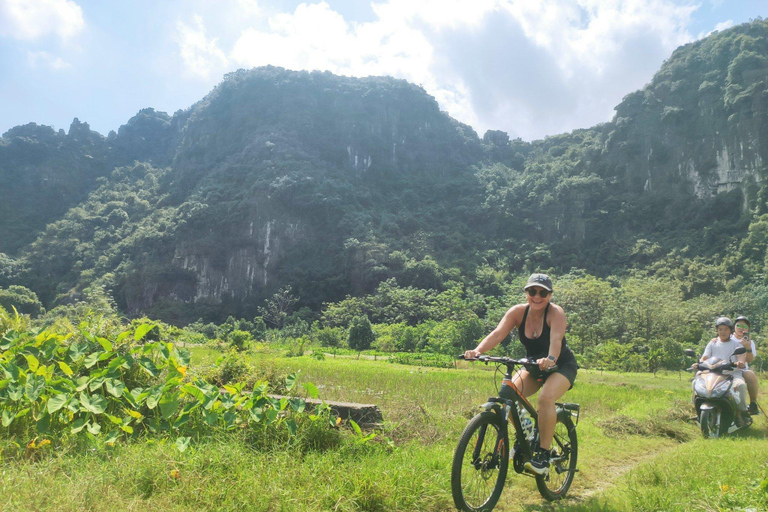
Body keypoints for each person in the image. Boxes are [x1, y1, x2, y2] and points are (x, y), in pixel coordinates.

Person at [463, 273, 578, 476]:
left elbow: (556, 340)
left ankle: (542, 455)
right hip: (534, 366)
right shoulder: (517, 312)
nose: (537, 296)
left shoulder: (556, 313)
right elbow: (498, 334)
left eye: (543, 292)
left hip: (560, 366)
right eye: (532, 291)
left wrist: (550, 358)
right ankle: (523, 435)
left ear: (550, 295)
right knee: (509, 392)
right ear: (526, 292)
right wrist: (477, 351)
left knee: (545, 398)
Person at [697, 317, 748, 425]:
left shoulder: (736, 344)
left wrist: (740, 363)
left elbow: (741, 359)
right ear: (717, 330)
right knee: (696, 381)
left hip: (732, 374)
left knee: (741, 385)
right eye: (720, 329)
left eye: (725, 329)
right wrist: (699, 363)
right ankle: (696, 409)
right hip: (713, 373)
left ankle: (741, 413)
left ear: (730, 331)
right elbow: (704, 358)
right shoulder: (712, 343)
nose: (723, 332)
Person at [733, 316, 759, 415]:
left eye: (744, 326)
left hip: (742, 369)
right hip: (728, 368)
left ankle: (753, 403)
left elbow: (749, 360)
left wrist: (747, 347)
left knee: (750, 374)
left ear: (748, 329)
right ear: (734, 327)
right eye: (738, 325)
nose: (741, 328)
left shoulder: (750, 342)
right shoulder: (728, 338)